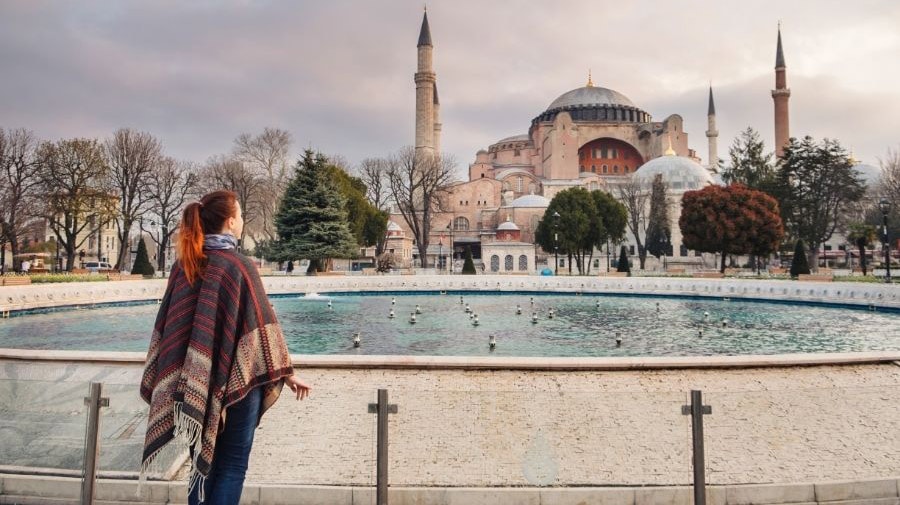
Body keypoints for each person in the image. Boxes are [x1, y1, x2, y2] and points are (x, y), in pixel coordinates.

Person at [139, 190, 310, 505]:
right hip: (239, 385)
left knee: (200, 467)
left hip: (194, 385)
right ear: (231, 222)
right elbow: (263, 328)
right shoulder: (238, 266)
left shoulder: (184, 266)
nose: (243, 220)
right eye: (241, 214)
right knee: (231, 466)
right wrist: (286, 373)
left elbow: (168, 330)